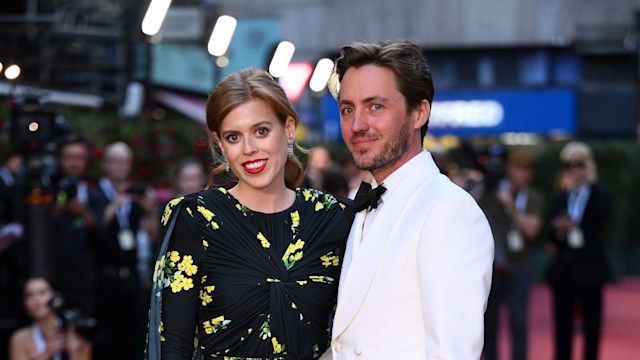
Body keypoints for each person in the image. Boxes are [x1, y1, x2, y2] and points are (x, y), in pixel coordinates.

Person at [146, 68, 354, 359]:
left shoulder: (335, 217)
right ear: (220, 144)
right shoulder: (196, 218)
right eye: (233, 137)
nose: (249, 149)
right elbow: (172, 346)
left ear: (289, 129)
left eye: (261, 131)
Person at [327, 40, 494, 358]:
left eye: (376, 106)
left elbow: (452, 353)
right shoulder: (358, 203)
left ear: (419, 112)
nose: (358, 124)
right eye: (348, 109)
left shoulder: (448, 211)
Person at [545, 141, 612, 360]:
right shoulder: (561, 196)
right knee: (562, 328)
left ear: (589, 165)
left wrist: (591, 180)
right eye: (570, 165)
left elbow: (606, 218)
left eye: (580, 164)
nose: (576, 169)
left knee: (592, 327)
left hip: (591, 270)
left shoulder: (599, 194)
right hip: (564, 271)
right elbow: (548, 233)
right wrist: (558, 227)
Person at [92, 141, 158, 360]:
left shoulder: (135, 196)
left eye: (125, 162)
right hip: (105, 277)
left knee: (133, 336)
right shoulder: (95, 193)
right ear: (106, 164)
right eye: (116, 161)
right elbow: (96, 228)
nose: (121, 167)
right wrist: (116, 203)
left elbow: (152, 234)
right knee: (106, 338)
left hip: (132, 278)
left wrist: (149, 210)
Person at [477, 150, 543, 360]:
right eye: (518, 168)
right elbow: (470, 205)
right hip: (493, 268)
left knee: (519, 321)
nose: (522, 173)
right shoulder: (490, 193)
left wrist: (511, 206)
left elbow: (532, 230)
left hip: (519, 267)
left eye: (527, 169)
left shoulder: (532, 197)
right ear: (509, 169)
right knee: (490, 322)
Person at [50, 135, 99, 319]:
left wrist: (84, 213)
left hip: (86, 277)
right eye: (68, 157)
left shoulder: (94, 193)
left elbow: (102, 234)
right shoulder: (48, 190)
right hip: (55, 274)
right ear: (60, 159)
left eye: (78, 158)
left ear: (86, 161)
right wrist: (58, 210)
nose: (73, 163)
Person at [9, 277, 92, 360]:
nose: (37, 299)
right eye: (30, 295)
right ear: (25, 303)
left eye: (42, 293)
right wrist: (46, 353)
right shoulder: (20, 338)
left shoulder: (75, 332)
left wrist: (75, 352)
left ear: (56, 297)